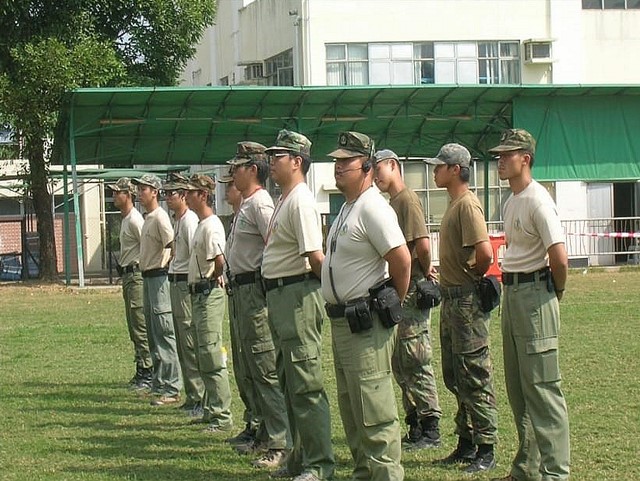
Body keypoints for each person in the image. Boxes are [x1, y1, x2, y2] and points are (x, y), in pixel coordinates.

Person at [322, 132, 410, 481]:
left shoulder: (373, 207)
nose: (338, 167)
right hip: (343, 322)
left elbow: (401, 260)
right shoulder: (348, 207)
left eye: (346, 162)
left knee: (375, 410)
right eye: (337, 161)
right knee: (353, 409)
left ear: (368, 167)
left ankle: (386, 475)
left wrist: (390, 304)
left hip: (365, 321)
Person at [488, 129, 570, 481]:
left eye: (508, 154)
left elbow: (560, 257)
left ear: (527, 158)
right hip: (514, 293)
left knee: (543, 388)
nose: (501, 160)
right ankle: (527, 468)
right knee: (519, 388)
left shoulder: (538, 199)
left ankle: (555, 473)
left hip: (536, 293)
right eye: (499, 155)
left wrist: (553, 293)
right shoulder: (511, 201)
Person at [262, 129, 335, 481]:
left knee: (305, 383)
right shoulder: (286, 199)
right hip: (280, 296)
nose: (271, 163)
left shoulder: (301, 201)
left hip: (296, 297)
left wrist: (332, 293)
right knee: (290, 382)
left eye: (278, 157)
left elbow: (315, 258)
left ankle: (319, 464)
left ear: (297, 161)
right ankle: (299, 457)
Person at [424, 144, 498, 474]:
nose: (434, 171)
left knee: (474, 373)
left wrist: (472, 277)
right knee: (456, 375)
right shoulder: (454, 205)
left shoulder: (467, 205)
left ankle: (486, 446)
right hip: (451, 300)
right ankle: (466, 441)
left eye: (440, 167)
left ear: (456, 169)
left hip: (465, 301)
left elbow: (484, 253)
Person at [373, 148, 443, 450]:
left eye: (379, 167)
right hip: (400, 287)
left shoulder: (407, 200)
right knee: (401, 360)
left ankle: (430, 427)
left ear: (393, 165)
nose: (375, 174)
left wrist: (426, 271)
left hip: (412, 287)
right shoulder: (393, 202)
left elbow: (423, 245)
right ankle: (415, 423)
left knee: (416, 357)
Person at [226, 141, 290, 469]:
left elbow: (274, 245)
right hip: (241, 291)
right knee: (250, 365)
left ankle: (279, 441)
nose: (232, 172)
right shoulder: (247, 204)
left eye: (237, 166)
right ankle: (263, 432)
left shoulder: (260, 203)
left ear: (253, 169)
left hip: (254, 291)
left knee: (264, 367)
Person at [183, 173, 234, 433]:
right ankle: (210, 408)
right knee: (203, 353)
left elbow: (219, 261)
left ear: (203, 195)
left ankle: (221, 416)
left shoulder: (212, 225)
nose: (186, 196)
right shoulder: (203, 224)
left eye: (191, 192)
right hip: (200, 293)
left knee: (212, 354)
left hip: (208, 293)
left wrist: (211, 280)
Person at [131, 173, 183, 406]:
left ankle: (172, 386)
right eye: (139, 189)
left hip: (159, 278)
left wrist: (166, 265)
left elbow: (173, 245)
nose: (140, 193)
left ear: (155, 192)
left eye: (144, 189)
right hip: (148, 276)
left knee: (164, 331)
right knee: (153, 331)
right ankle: (160, 382)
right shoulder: (148, 217)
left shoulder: (161, 217)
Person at [164, 173, 205, 416]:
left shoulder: (189, 221)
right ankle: (192, 395)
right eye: (167, 193)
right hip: (175, 281)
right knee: (181, 341)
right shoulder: (178, 220)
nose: (169, 197)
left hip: (184, 283)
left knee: (190, 341)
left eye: (174, 193)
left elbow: (193, 257)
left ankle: (199, 397)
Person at [107, 177, 152, 390]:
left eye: (118, 192)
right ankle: (141, 366)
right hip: (127, 276)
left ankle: (148, 369)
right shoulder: (125, 219)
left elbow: (148, 245)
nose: (115, 196)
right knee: (133, 324)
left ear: (129, 195)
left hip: (136, 275)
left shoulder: (135, 220)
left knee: (140, 322)